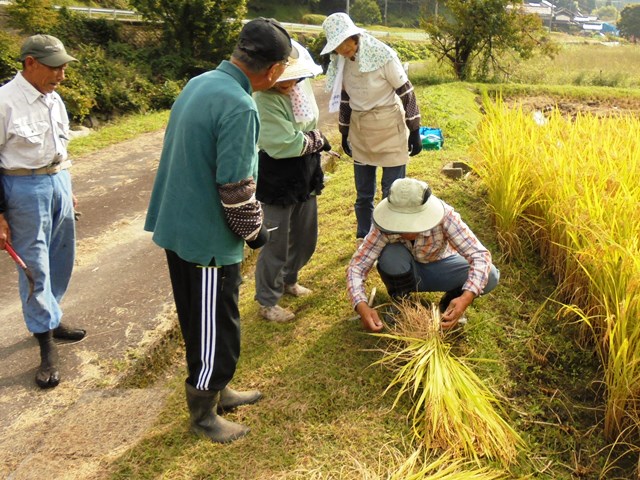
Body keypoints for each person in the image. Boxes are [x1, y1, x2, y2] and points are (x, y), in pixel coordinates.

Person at [144, 18, 292, 444]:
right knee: (216, 327)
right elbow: (237, 191)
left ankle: (220, 389)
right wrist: (256, 233)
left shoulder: (202, 82)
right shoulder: (240, 106)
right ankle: (205, 414)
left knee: (200, 320)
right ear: (275, 69)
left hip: (179, 225)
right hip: (206, 239)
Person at [0, 34, 86, 390]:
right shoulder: (5, 102)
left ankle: (52, 317)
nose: (62, 75)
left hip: (57, 182)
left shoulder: (54, 99)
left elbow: (58, 148)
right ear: (30, 63)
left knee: (62, 256)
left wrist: (67, 188)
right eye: (55, 67)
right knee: (34, 265)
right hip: (22, 188)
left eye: (64, 66)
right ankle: (45, 343)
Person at [346, 178, 500, 333]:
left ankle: (449, 305)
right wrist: (361, 305)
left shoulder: (445, 215)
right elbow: (357, 266)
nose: (405, 229)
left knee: (491, 275)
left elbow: (480, 255)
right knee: (391, 254)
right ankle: (402, 303)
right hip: (404, 270)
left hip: (441, 268)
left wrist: (466, 297)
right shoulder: (384, 223)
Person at [321, 12, 423, 244]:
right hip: (361, 127)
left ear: (354, 36)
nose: (342, 49)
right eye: (336, 46)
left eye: (344, 42)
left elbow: (406, 91)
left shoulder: (382, 55)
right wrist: (344, 131)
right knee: (364, 192)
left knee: (392, 190)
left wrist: (414, 129)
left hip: (389, 125)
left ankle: (391, 234)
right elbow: (345, 99)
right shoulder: (341, 61)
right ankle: (364, 235)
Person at [253, 40, 329, 323]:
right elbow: (285, 143)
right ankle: (267, 300)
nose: (290, 83)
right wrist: (318, 139)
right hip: (277, 177)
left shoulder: (301, 87)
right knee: (275, 242)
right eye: (284, 78)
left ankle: (289, 280)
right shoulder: (262, 101)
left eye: (294, 77)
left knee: (306, 236)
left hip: (305, 172)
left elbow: (308, 128)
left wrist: (312, 141)